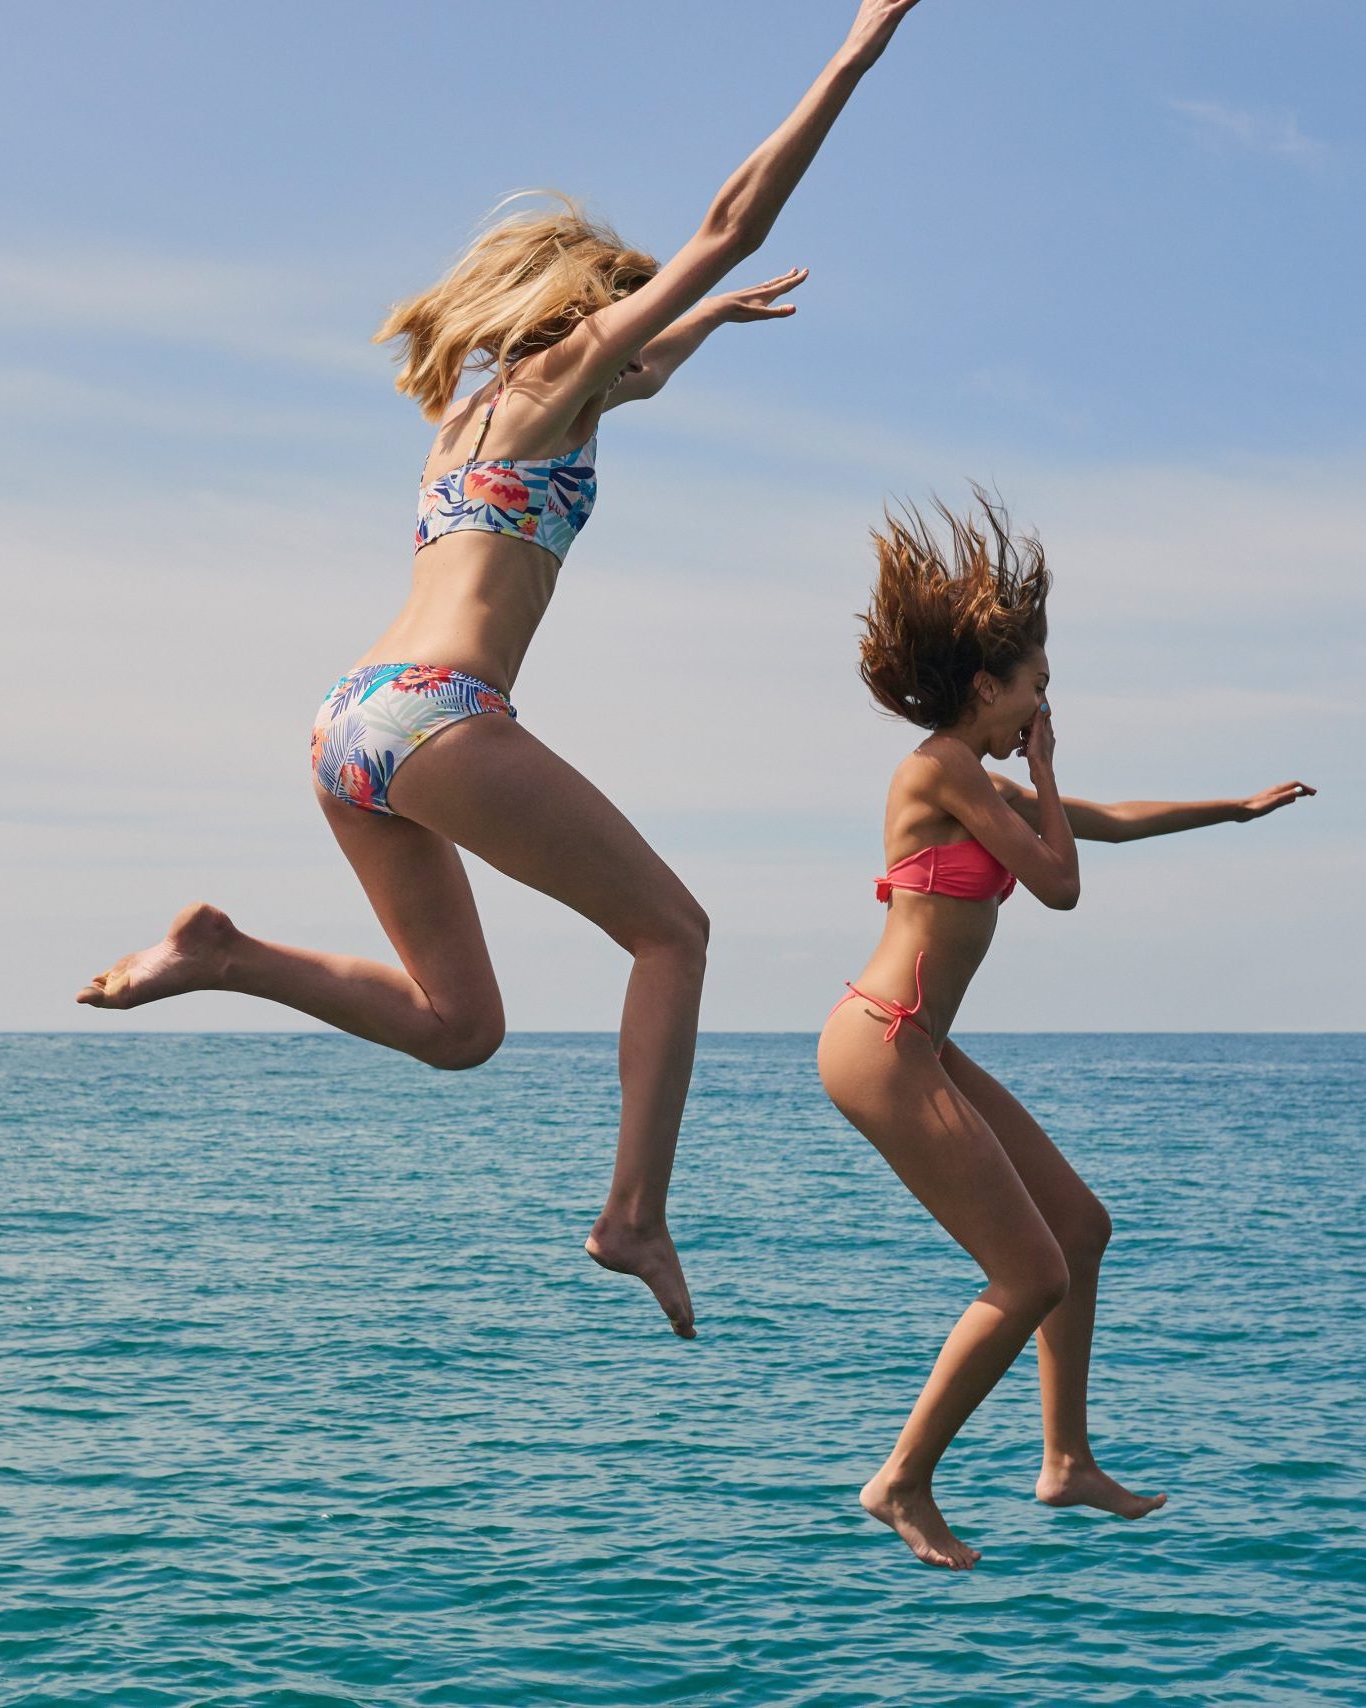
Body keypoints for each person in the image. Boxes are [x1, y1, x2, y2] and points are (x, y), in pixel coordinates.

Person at [78, 0, 927, 1339]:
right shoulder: (554, 384)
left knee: (459, 1027)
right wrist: (857, 50)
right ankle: (633, 1213)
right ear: (589, 316)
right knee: (674, 933)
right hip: (440, 723)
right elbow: (729, 227)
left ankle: (222, 953)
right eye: (634, 326)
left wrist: (702, 332)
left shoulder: (468, 418)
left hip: (347, 727)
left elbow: (632, 374)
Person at [817, 490, 1314, 1566]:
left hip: (919, 1043)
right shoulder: (941, 769)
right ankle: (901, 1480)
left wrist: (1231, 810)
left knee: (1078, 1231)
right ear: (989, 686)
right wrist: (1041, 774)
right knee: (1028, 1269)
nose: (1043, 707)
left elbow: (1099, 823)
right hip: (883, 1038)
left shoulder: (977, 781)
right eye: (1036, 687)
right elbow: (1059, 883)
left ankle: (1064, 1461)